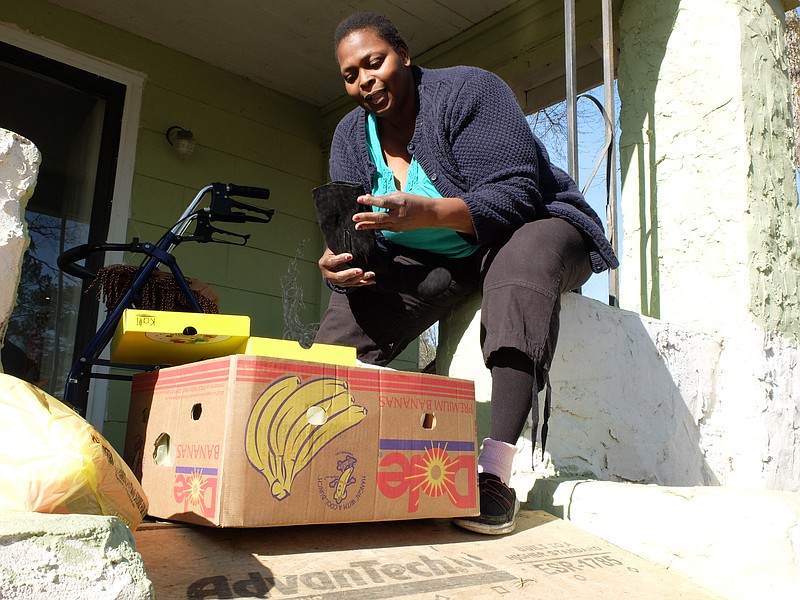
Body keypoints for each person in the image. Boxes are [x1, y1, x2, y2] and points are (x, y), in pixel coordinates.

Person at [314, 12, 618, 535]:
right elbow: (353, 222)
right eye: (350, 75)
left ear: (404, 55)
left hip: (533, 227)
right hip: (433, 262)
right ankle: (326, 460)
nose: (365, 80)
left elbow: (518, 196)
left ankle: (496, 472)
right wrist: (337, 262)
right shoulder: (349, 135)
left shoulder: (469, 92)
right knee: (340, 335)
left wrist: (425, 212)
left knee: (520, 268)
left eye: (375, 62)